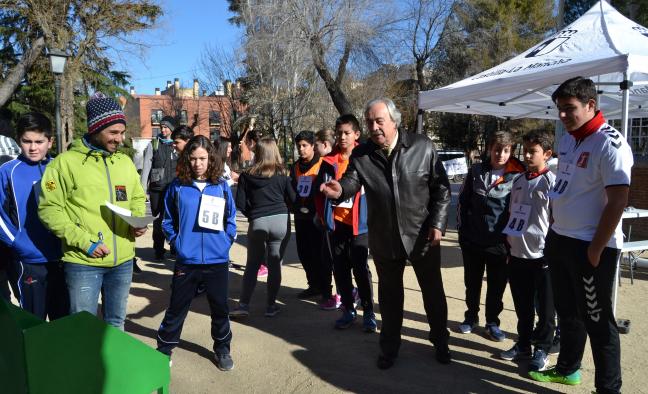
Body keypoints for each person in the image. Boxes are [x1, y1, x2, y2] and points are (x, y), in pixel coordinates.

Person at [320, 98, 452, 368]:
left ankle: (440, 341)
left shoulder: (422, 147)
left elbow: (441, 189)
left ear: (394, 121)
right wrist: (340, 190)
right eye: (369, 122)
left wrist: (437, 224)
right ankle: (389, 348)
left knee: (433, 294)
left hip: (421, 235)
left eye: (379, 120)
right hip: (384, 237)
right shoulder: (362, 154)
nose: (374, 126)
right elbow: (351, 182)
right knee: (390, 298)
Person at [529, 77, 632, 394]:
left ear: (591, 105)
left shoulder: (610, 144)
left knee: (599, 323)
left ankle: (608, 389)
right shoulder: (568, 140)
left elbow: (617, 201)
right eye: (559, 109)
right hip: (560, 239)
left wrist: (595, 250)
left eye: (569, 109)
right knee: (567, 312)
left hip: (591, 247)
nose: (562, 116)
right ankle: (568, 369)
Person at [38, 93, 147, 330]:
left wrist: (138, 220)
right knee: (83, 327)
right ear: (95, 129)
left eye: (122, 132)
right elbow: (50, 210)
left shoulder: (125, 163)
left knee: (116, 323)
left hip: (123, 260)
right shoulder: (64, 164)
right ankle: (84, 368)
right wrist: (85, 242)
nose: (120, 139)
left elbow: (137, 196)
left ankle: (111, 367)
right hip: (83, 261)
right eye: (113, 133)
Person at [156, 135, 237, 371]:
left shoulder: (221, 187)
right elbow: (167, 221)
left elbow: (230, 219)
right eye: (192, 159)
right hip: (187, 260)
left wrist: (226, 241)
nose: (197, 163)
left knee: (220, 307)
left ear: (210, 158)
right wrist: (176, 242)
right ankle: (164, 348)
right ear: (186, 159)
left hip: (217, 259)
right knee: (177, 307)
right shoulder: (177, 187)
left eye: (202, 158)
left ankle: (222, 349)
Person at [457, 130, 524, 341]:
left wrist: (510, 242)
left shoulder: (517, 175)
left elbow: (519, 210)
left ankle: (492, 322)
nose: (501, 155)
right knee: (472, 283)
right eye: (497, 150)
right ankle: (471, 317)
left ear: (511, 151)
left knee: (496, 287)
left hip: (499, 244)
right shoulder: (476, 171)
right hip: (473, 241)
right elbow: (462, 203)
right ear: (489, 149)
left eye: (505, 151)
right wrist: (463, 234)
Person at [0, 113, 68, 319]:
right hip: (28, 261)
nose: (33, 147)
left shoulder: (60, 168)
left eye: (39, 141)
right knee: (32, 323)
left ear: (50, 141)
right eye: (26, 141)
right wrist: (18, 242)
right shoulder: (7, 171)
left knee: (63, 322)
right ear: (19, 140)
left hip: (62, 258)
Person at [499, 130, 556, 372]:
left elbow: (556, 219)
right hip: (518, 254)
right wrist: (509, 245)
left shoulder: (551, 182)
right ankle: (523, 344)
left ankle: (542, 348)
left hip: (542, 256)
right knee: (522, 306)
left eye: (533, 151)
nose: (527, 155)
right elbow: (512, 214)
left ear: (547, 154)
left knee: (545, 308)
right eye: (526, 150)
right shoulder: (519, 181)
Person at [318, 115, 375, 330]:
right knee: (340, 268)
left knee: (360, 267)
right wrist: (323, 216)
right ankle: (348, 309)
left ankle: (369, 312)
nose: (341, 137)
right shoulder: (328, 160)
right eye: (338, 132)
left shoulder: (366, 158)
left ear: (356, 135)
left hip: (360, 224)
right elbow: (319, 191)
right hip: (337, 223)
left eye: (346, 133)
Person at [230, 137, 296, 318]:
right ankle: (271, 305)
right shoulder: (283, 174)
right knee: (275, 264)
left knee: (252, 264)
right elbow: (293, 198)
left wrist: (254, 216)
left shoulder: (246, 176)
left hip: (258, 220)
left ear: (256, 153)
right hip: (280, 220)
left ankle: (243, 305)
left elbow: (241, 203)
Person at [289, 130, 329, 302]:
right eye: (299, 146)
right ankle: (313, 284)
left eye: (305, 145)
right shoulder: (295, 167)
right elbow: (291, 189)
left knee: (319, 252)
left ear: (313, 146)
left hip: (317, 215)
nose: (301, 149)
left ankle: (324, 287)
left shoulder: (322, 164)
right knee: (304, 252)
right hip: (300, 215)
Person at [141, 115, 178, 261]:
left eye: (166, 127)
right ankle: (158, 248)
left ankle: (175, 247)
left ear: (172, 129)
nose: (163, 129)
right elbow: (146, 168)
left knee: (176, 218)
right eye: (161, 127)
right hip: (157, 189)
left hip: (174, 189)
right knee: (158, 220)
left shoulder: (177, 144)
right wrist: (143, 189)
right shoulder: (153, 144)